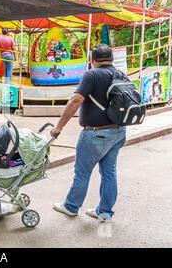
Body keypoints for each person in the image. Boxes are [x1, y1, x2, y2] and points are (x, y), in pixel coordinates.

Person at [50, 44, 127, 222]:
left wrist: (59, 127)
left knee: (82, 172)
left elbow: (76, 100)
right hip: (119, 131)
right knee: (109, 172)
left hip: (95, 134)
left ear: (92, 60)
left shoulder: (92, 74)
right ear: (112, 59)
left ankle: (71, 206)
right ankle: (105, 212)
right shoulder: (120, 74)